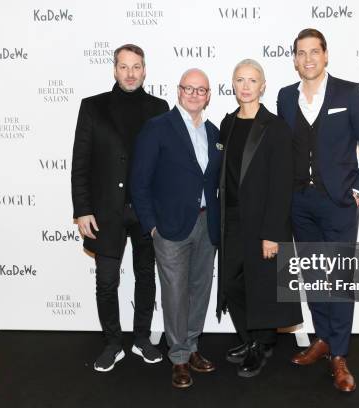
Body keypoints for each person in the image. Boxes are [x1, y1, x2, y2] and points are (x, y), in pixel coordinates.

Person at [277, 28, 359, 393]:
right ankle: (321, 338)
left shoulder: (349, 93)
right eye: (301, 53)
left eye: (314, 52)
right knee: (312, 275)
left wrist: (358, 189)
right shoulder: (285, 98)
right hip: (299, 203)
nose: (308, 59)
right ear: (294, 59)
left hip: (338, 203)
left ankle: (339, 354)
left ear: (325, 55)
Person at [71, 44, 169, 372]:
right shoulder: (93, 107)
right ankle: (113, 342)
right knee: (106, 280)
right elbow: (80, 163)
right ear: (114, 69)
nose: (130, 73)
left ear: (145, 70)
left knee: (145, 276)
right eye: (124, 66)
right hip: (104, 213)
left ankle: (142, 338)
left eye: (136, 66)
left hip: (146, 212)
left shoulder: (160, 108)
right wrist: (82, 209)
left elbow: (166, 163)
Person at [131, 68, 222, 389]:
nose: (195, 94)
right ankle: (179, 357)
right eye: (189, 88)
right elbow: (139, 182)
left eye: (202, 90)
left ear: (208, 95)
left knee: (200, 291)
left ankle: (193, 346)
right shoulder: (157, 128)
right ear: (179, 91)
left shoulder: (214, 133)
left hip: (205, 223)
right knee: (174, 293)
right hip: (169, 228)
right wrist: (151, 226)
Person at [217, 59, 302, 377]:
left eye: (252, 80)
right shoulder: (227, 124)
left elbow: (282, 185)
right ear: (233, 84)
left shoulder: (276, 127)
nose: (246, 86)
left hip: (263, 221)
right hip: (232, 220)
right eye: (240, 79)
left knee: (262, 286)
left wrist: (272, 233)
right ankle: (249, 337)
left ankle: (262, 346)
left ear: (262, 86)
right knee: (231, 282)